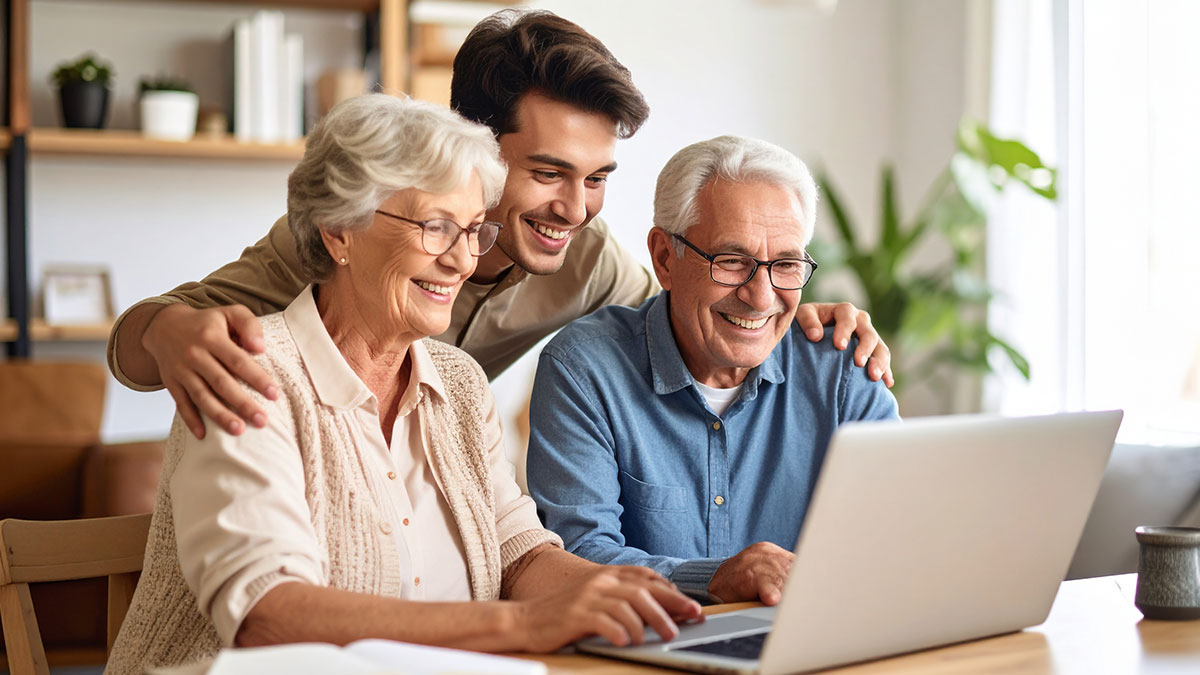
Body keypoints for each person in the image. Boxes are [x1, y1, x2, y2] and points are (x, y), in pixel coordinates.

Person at [105, 95, 700, 675]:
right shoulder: (245, 372)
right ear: (339, 231)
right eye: (437, 226)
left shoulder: (460, 383)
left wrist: (644, 598)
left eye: (474, 230)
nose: (462, 260)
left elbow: (518, 548)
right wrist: (522, 626)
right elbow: (269, 615)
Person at [104, 9, 893, 442]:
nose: (574, 209)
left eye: (596, 180)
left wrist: (794, 319)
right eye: (547, 172)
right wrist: (171, 331)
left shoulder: (591, 262)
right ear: (474, 145)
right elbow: (131, 348)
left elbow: (704, 307)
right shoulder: (357, 236)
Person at [526, 136, 901, 607]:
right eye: (731, 261)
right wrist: (715, 577)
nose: (761, 297)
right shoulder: (584, 370)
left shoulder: (843, 372)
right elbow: (576, 557)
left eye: (784, 264)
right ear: (665, 258)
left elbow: (898, 543)